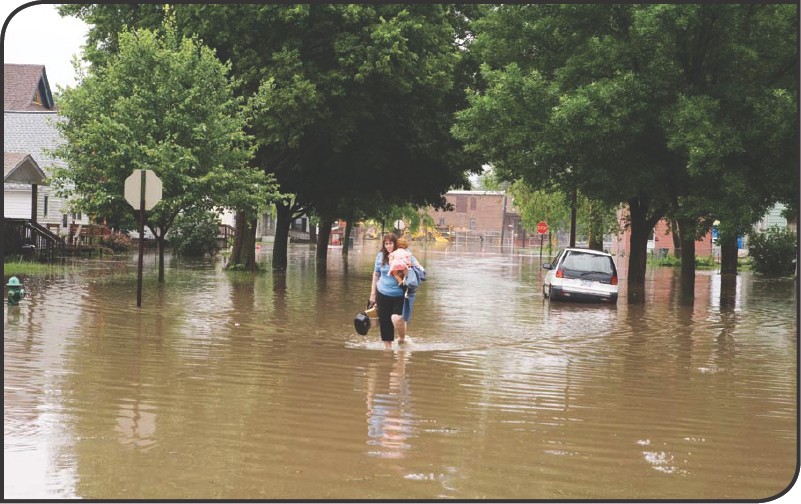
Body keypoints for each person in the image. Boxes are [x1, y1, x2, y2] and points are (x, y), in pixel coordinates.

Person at [369, 233, 420, 349]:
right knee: (385, 322)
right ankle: (388, 351)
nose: (388, 246)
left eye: (390, 243)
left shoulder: (404, 254)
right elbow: (376, 275)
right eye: (386, 244)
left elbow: (417, 266)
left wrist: (414, 270)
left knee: (397, 319)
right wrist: (373, 294)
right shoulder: (380, 256)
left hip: (400, 293)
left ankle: (402, 338)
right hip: (382, 292)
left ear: (395, 243)